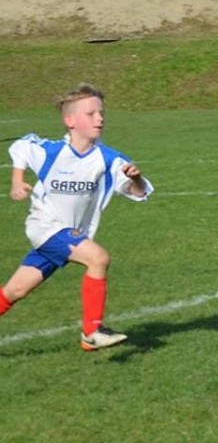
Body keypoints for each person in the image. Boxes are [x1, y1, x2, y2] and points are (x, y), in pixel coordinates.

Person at [3, 85, 152, 351]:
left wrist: (136, 178)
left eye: (101, 113)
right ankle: (91, 331)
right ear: (69, 121)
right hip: (45, 227)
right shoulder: (50, 150)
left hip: (68, 233)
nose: (100, 119)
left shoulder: (110, 159)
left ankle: (90, 333)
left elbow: (139, 193)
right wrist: (17, 181)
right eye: (91, 113)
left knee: (14, 291)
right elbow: (21, 146)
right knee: (98, 258)